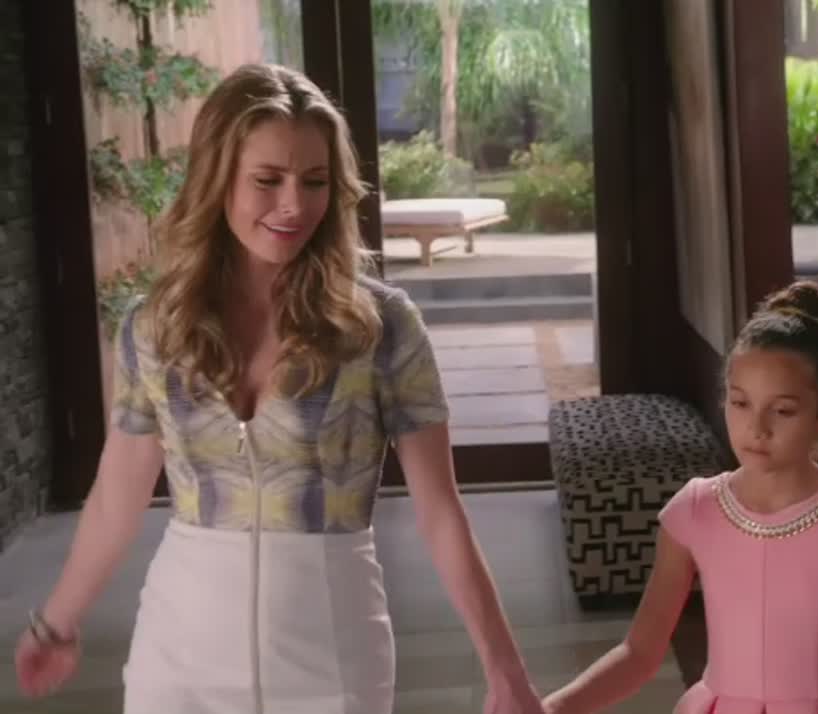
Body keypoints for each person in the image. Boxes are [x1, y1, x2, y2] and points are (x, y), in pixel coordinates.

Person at [13, 63, 543, 714]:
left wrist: (505, 671)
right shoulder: (156, 329)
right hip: (177, 660)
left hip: (335, 660)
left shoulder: (382, 328)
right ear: (217, 179)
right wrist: (57, 624)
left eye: (315, 181)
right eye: (267, 180)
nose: (294, 205)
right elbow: (116, 497)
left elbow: (440, 511)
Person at [543, 282, 818, 714]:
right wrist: (556, 707)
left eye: (783, 410)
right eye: (740, 403)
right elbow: (640, 652)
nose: (757, 428)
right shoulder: (695, 510)